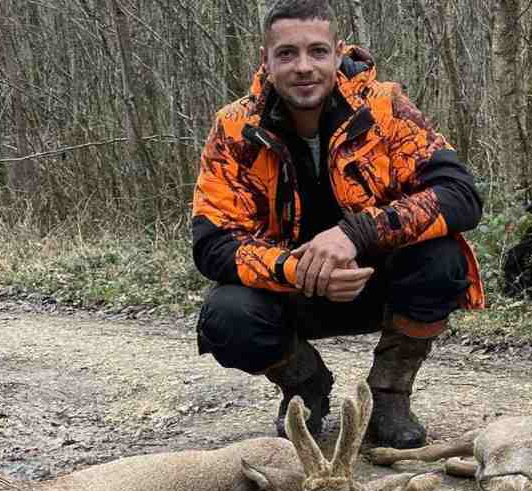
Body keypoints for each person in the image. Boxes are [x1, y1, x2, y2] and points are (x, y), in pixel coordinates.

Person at [190, 0, 485, 449]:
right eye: (287, 54)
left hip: (376, 283)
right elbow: (213, 243)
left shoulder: (384, 109)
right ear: (266, 61)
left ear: (337, 52)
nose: (303, 67)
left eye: (317, 52)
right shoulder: (235, 129)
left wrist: (356, 233)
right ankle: (305, 384)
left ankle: (388, 395)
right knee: (225, 317)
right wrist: (299, 268)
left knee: (442, 259)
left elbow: (460, 193)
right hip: (289, 293)